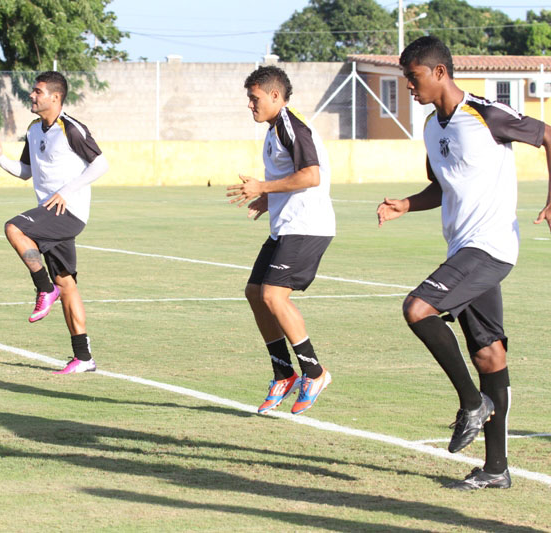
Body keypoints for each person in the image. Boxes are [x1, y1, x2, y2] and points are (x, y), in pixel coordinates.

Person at [377, 36, 551, 490]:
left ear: (439, 73)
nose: (409, 88)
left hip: (490, 247)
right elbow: (440, 187)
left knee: (418, 308)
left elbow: (548, 134)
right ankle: (497, 470)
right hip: (464, 251)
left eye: (412, 79)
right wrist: (406, 204)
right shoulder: (433, 128)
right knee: (489, 353)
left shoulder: (485, 113)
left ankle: (472, 403)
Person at [0, 71, 109, 374]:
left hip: (68, 212)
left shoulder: (71, 128)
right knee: (68, 284)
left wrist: (66, 191)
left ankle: (42, 288)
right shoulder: (35, 129)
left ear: (55, 97)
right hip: (50, 213)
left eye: (37, 92)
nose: (31, 97)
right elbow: (25, 171)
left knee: (14, 227)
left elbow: (101, 163)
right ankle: (83, 357)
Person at [226, 65, 335, 415]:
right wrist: (267, 199)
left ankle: (314, 372)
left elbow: (311, 175)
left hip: (307, 226)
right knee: (255, 292)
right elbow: (291, 177)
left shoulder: (291, 124)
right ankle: (283, 372)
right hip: (286, 226)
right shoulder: (274, 130)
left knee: (273, 295)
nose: (249, 105)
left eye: (254, 98)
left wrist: (262, 186)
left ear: (275, 96)